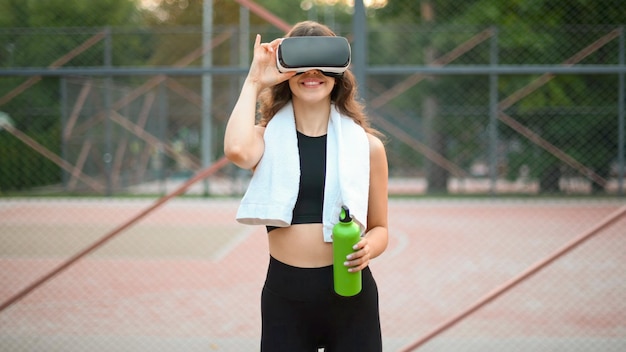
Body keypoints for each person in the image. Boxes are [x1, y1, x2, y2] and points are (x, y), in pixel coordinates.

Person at [224, 20, 388, 352]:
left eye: (322, 65)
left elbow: (381, 228)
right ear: (286, 74)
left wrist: (369, 247)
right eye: (300, 65)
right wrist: (255, 79)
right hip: (286, 296)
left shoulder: (367, 146)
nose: (312, 73)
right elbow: (237, 150)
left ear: (338, 73)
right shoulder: (265, 139)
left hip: (349, 293)